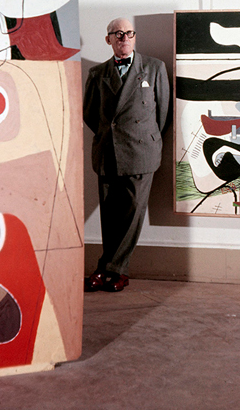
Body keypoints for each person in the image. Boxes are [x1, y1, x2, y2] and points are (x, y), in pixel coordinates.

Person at [83, 18, 170, 292]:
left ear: (135, 37)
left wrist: (146, 138)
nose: (124, 38)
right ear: (108, 39)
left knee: (132, 214)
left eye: (129, 33)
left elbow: (163, 114)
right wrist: (111, 135)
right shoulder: (97, 73)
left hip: (141, 152)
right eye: (118, 34)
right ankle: (112, 270)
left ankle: (110, 269)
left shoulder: (154, 68)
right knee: (109, 215)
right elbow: (90, 114)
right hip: (108, 152)